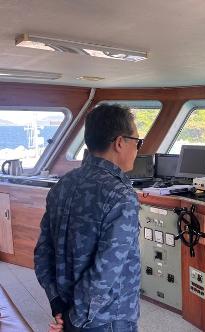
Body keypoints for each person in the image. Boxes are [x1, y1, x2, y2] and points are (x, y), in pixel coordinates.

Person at [34, 104, 143, 332]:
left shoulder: (62, 184)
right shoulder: (121, 196)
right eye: (137, 142)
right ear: (120, 142)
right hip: (108, 320)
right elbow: (106, 271)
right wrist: (76, 320)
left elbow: (43, 252)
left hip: (66, 308)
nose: (137, 149)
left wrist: (56, 303)